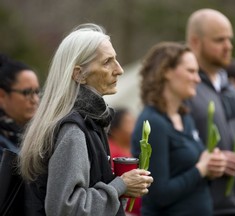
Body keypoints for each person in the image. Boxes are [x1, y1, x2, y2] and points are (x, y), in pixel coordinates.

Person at [19, 23, 153, 216]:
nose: (119, 69)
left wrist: (121, 189)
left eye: (115, 60)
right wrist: (120, 185)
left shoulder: (89, 121)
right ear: (79, 74)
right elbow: (65, 208)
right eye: (107, 62)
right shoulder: (73, 130)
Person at [131, 41, 226, 216]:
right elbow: (159, 194)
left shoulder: (185, 118)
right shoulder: (154, 123)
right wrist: (201, 169)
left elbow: (192, 176)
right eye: (191, 71)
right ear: (166, 71)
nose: (197, 79)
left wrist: (211, 169)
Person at [186, 9, 235, 215]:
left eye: (229, 39)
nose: (229, 46)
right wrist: (208, 159)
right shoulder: (186, 91)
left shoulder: (233, 91)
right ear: (195, 41)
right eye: (220, 40)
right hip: (205, 207)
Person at [0, 54, 40, 160]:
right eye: (27, 92)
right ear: (2, 95)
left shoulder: (37, 136)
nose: (35, 100)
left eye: (36, 92)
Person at [108, 108, 141, 216]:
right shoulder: (112, 152)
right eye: (129, 123)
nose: (135, 126)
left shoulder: (133, 148)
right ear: (115, 130)